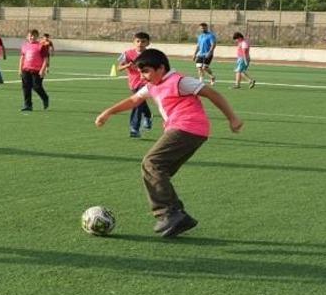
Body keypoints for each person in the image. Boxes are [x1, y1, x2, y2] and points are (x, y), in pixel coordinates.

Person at [95, 48, 243, 238]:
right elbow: (134, 100)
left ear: (161, 68)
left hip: (187, 127)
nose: (143, 76)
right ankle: (176, 216)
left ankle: (169, 213)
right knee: (159, 172)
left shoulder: (180, 81)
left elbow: (212, 94)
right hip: (192, 132)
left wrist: (232, 118)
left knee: (151, 163)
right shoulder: (151, 86)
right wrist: (108, 112)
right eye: (140, 72)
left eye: (146, 71)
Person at [116, 32, 154, 138]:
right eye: (138, 41)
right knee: (140, 102)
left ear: (148, 43)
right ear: (134, 42)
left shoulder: (151, 54)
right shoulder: (127, 54)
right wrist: (127, 65)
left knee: (136, 102)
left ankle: (134, 128)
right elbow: (119, 68)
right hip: (134, 83)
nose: (140, 43)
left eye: (143, 41)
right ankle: (148, 115)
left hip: (147, 82)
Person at [19, 29, 50, 111]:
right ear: (27, 37)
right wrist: (20, 69)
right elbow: (22, 58)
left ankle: (45, 97)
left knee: (37, 87)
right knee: (26, 87)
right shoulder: (24, 46)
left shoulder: (41, 46)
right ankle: (28, 105)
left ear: (37, 37)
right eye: (29, 36)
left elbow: (46, 59)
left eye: (33, 36)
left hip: (37, 70)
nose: (31, 37)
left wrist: (42, 70)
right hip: (26, 69)